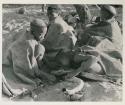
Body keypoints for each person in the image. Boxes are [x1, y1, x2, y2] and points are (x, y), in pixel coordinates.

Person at [2, 19, 56, 96]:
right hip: (11, 60)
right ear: (33, 32)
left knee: (40, 47)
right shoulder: (28, 44)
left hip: (11, 51)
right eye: (41, 35)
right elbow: (27, 69)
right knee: (40, 48)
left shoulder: (28, 32)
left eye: (44, 35)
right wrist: (44, 75)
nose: (43, 37)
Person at [42, 4, 77, 70]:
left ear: (58, 14)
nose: (49, 16)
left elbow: (48, 42)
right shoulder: (60, 21)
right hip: (68, 48)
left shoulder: (56, 24)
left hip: (60, 51)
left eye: (51, 14)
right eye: (48, 14)